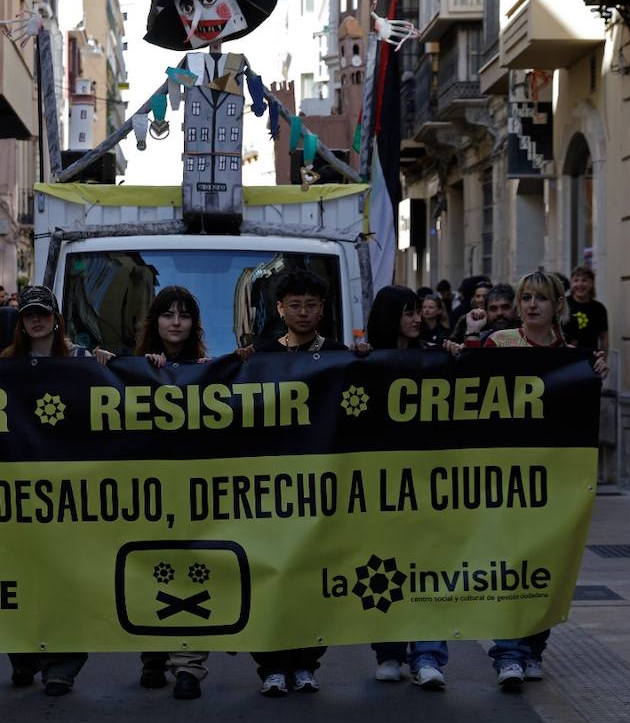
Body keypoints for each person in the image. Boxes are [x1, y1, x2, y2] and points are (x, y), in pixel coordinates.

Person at [453, 270, 607, 689]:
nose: (532, 305)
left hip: (553, 481)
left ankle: (533, 647)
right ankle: (508, 654)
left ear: (559, 305)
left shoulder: (573, 356)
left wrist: (593, 373)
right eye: (526, 298)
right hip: (503, 479)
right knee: (509, 564)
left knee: (545, 566)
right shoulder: (498, 344)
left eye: (541, 298)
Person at [0, 285, 112, 696]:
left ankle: (62, 665)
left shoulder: (82, 360)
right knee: (20, 574)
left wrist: (109, 365)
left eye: (43, 313)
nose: (36, 320)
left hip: (71, 490)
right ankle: (23, 656)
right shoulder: (5, 364)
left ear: (56, 317)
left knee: (67, 577)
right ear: (21, 322)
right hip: (20, 490)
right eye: (29, 314)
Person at [240, 269, 345, 695]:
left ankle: (306, 662)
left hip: (319, 488)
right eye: (295, 305)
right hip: (271, 487)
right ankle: (270, 666)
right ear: (280, 309)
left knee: (310, 576)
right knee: (270, 575)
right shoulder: (261, 356)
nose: (303, 312)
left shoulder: (339, 355)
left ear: (322, 309)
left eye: (312, 305)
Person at [364, 285, 450, 690]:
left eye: (419, 311)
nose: (417, 318)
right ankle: (390, 653)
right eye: (408, 312)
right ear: (388, 316)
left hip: (429, 484)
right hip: (382, 488)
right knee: (385, 570)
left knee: (431, 566)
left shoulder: (436, 355)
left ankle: (429, 655)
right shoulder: (363, 362)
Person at [133, 286, 211, 700]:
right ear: (155, 321)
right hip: (149, 493)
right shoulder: (135, 367)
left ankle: (189, 666)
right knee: (150, 567)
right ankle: (153, 653)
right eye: (168, 315)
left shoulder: (207, 368)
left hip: (194, 492)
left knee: (197, 568)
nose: (175, 322)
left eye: (183, 315)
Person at [563, 265, 609, 352]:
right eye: (576, 280)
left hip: (590, 358)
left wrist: (603, 360)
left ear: (592, 283)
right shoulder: (563, 304)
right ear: (571, 283)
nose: (580, 284)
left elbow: (604, 338)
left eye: (584, 280)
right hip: (566, 357)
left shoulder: (599, 308)